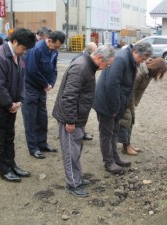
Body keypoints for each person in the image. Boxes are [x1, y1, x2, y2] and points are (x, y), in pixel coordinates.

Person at [52, 45, 115, 197]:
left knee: (76, 149)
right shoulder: (81, 67)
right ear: (100, 58)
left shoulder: (89, 66)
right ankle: (72, 184)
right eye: (107, 64)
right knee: (70, 152)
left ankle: (77, 178)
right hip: (71, 118)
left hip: (77, 117)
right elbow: (69, 96)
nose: (106, 67)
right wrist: (70, 121)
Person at [93, 42, 153, 174]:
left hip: (117, 103)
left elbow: (126, 86)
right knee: (107, 133)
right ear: (136, 52)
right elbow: (112, 84)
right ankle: (109, 163)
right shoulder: (122, 59)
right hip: (106, 103)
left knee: (114, 131)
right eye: (142, 59)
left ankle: (115, 158)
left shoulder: (131, 59)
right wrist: (114, 108)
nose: (143, 62)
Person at [0, 28, 36, 182]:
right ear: (14, 42)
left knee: (10, 136)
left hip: (12, 105)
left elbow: (21, 80)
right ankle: (4, 170)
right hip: (1, 106)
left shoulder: (17, 56)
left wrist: (19, 100)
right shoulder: (0, 56)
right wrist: (8, 104)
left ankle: (12, 165)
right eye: (24, 48)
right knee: (0, 138)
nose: (25, 52)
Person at [22, 31, 66, 159]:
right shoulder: (35, 50)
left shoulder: (54, 51)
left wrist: (51, 83)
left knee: (42, 117)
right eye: (56, 46)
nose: (57, 49)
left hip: (42, 88)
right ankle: (33, 147)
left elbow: (53, 69)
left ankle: (42, 143)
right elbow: (32, 70)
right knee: (30, 119)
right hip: (30, 88)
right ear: (49, 40)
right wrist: (45, 84)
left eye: (59, 47)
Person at [118, 57, 167, 155]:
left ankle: (128, 145)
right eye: (161, 72)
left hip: (131, 100)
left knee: (130, 121)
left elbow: (140, 90)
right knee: (126, 121)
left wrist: (135, 103)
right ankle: (125, 147)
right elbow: (131, 91)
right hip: (124, 98)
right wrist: (131, 106)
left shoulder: (149, 74)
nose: (160, 75)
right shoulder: (140, 73)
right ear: (157, 68)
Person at [71, 42, 98, 141]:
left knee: (83, 113)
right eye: (95, 52)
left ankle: (81, 131)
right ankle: (76, 132)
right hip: (79, 93)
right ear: (89, 51)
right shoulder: (79, 60)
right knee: (77, 112)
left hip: (85, 93)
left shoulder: (87, 60)